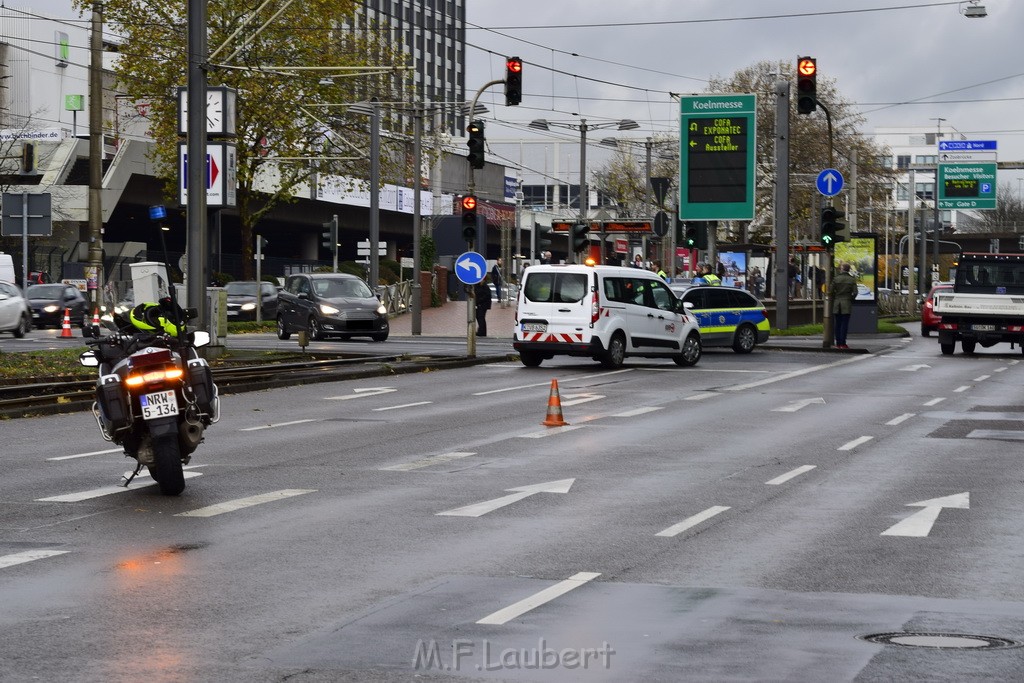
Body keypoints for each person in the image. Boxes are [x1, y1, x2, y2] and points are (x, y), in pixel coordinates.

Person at [832, 262, 858, 349]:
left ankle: (838, 343)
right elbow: (855, 292)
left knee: (838, 324)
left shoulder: (836, 279)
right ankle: (843, 343)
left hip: (837, 303)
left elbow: (831, 291)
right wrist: (850, 299)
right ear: (849, 269)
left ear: (842, 269)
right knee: (844, 324)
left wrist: (836, 298)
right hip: (846, 303)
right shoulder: (852, 279)